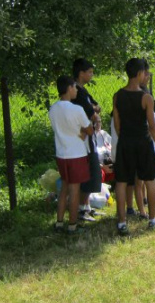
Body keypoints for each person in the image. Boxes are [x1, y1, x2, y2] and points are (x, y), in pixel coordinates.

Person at [112, 58, 155, 233]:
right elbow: (152, 125)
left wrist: (125, 138)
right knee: (149, 180)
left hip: (125, 141)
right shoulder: (146, 97)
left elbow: (117, 124)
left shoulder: (117, 96)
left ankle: (122, 222)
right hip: (143, 142)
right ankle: (152, 219)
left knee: (121, 181)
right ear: (140, 73)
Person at [49, 76, 93, 234]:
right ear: (69, 88)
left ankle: (59, 222)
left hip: (61, 154)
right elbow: (89, 129)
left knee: (64, 189)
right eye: (74, 87)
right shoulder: (77, 109)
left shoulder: (53, 109)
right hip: (76, 154)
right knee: (75, 190)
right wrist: (82, 131)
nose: (76, 90)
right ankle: (73, 225)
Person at [71, 58, 103, 222]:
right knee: (88, 172)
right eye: (89, 72)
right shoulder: (77, 92)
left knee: (93, 171)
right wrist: (95, 114)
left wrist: (95, 111)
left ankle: (87, 206)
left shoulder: (83, 91)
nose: (91, 75)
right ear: (81, 73)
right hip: (82, 138)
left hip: (90, 138)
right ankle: (81, 209)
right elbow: (91, 111)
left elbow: (96, 106)